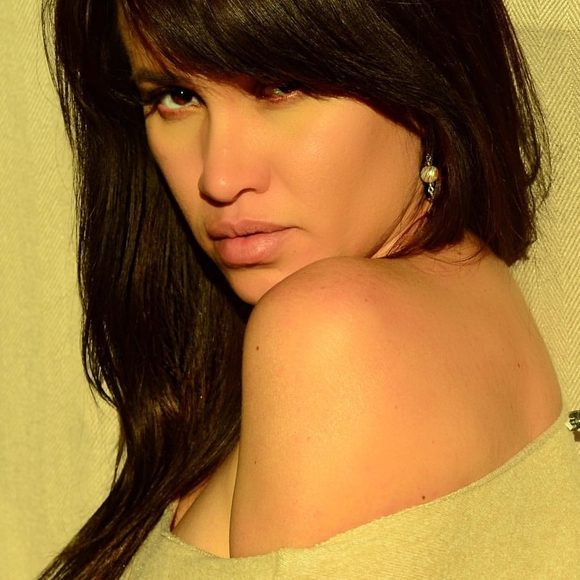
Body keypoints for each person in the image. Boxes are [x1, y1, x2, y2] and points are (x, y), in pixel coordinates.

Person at [40, 0, 580, 578]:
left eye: (280, 87)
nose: (219, 178)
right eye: (176, 96)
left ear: (422, 78)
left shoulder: (331, 328)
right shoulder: (474, 289)